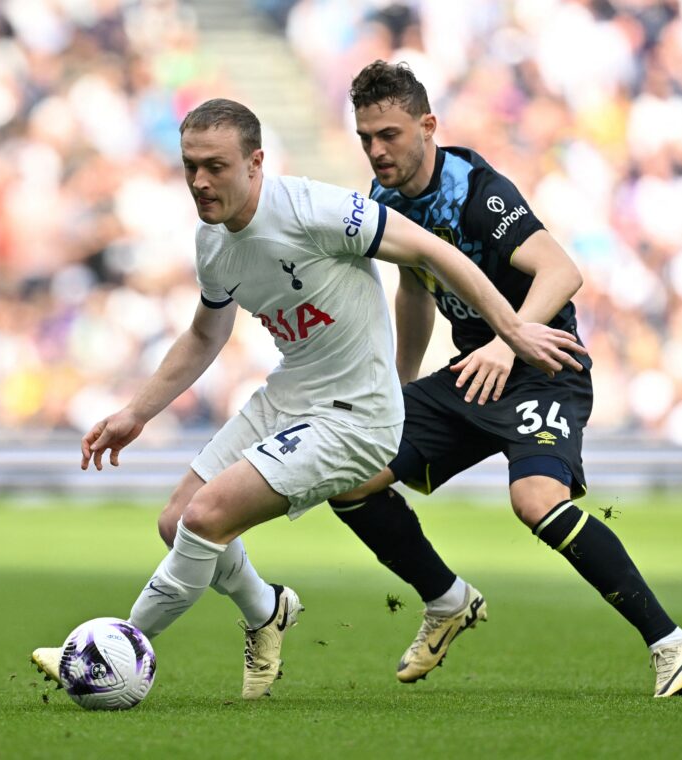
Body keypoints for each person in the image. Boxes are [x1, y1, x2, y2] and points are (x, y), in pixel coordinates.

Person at [30, 97, 587, 700]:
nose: (199, 181)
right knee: (175, 523)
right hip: (291, 393)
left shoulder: (318, 210)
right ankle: (266, 609)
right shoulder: (213, 242)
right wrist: (135, 413)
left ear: (255, 162)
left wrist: (510, 332)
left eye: (215, 165)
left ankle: (115, 649)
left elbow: (435, 251)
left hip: (356, 415)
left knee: (206, 519)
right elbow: (204, 334)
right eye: (190, 165)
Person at [329, 61, 682, 698]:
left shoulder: (478, 192)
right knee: (349, 474)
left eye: (389, 134)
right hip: (474, 373)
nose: (376, 150)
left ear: (427, 126)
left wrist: (509, 344)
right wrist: (396, 389)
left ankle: (672, 644)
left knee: (534, 501)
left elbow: (561, 272)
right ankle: (447, 600)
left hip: (541, 368)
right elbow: (415, 292)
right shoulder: (387, 202)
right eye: (366, 137)